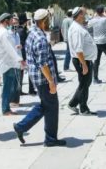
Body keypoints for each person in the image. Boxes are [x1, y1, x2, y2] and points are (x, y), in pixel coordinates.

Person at [13, 9, 66, 147]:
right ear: (43, 21)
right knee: (52, 107)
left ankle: (21, 127)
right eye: (48, 20)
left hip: (36, 77)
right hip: (43, 79)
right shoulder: (40, 39)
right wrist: (51, 82)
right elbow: (43, 64)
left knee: (45, 106)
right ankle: (50, 139)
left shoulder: (32, 33)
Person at [0, 13, 25, 115]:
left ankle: (5, 107)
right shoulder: (4, 32)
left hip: (2, 61)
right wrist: (19, 59)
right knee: (7, 87)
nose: (12, 22)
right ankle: (5, 109)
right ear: (6, 21)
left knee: (6, 86)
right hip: (8, 62)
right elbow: (9, 48)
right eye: (11, 20)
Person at [67, 7, 97, 116]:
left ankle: (73, 103)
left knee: (84, 83)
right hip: (82, 60)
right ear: (79, 15)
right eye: (84, 14)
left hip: (84, 60)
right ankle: (83, 109)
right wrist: (84, 64)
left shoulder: (78, 27)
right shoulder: (76, 29)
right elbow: (78, 49)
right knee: (84, 84)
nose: (85, 16)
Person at [16, 13, 35, 95]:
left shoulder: (18, 30)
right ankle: (30, 89)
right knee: (28, 72)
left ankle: (20, 90)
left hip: (21, 55)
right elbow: (24, 44)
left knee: (21, 73)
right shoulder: (22, 31)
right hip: (24, 55)